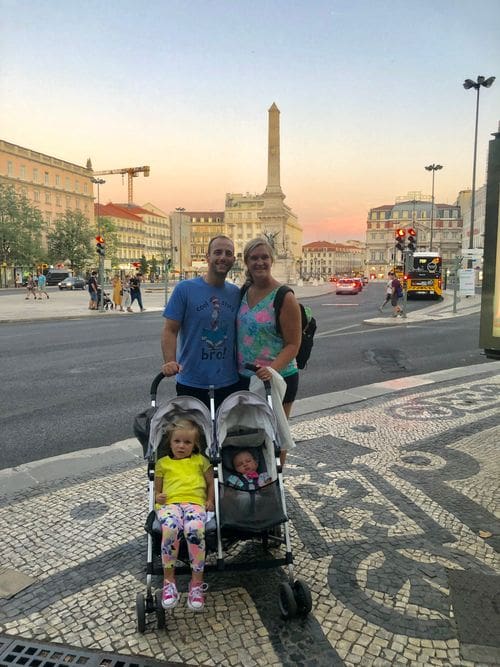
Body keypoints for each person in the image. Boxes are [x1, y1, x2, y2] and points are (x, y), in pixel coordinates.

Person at [237, 238, 301, 463]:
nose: (260, 262)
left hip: (277, 378)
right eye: (254, 258)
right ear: (246, 262)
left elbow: (294, 344)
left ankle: (276, 486)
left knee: (276, 435)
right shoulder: (244, 292)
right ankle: (254, 480)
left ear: (272, 260)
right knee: (251, 436)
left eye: (264, 257)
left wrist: (270, 370)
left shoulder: (285, 296)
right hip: (246, 378)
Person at [161, 235, 242, 409]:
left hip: (229, 382)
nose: (223, 257)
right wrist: (170, 361)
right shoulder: (185, 289)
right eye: (217, 252)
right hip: (191, 382)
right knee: (193, 435)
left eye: (228, 253)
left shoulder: (236, 294)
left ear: (233, 259)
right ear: (207, 257)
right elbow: (170, 330)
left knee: (225, 436)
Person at [155, 417, 214, 611]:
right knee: (171, 528)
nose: (181, 446)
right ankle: (168, 581)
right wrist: (159, 497)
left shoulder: (200, 461)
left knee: (195, 530)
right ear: (170, 442)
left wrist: (210, 500)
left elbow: (210, 482)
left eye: (187, 442)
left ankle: (196, 584)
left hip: (195, 503)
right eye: (177, 441)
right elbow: (156, 491)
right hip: (170, 504)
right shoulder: (163, 463)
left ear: (195, 444)